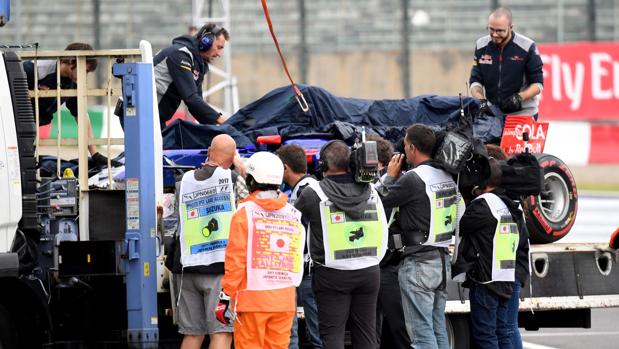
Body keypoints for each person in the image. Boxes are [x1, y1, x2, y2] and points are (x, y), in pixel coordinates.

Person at [294, 140, 388, 349]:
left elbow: (291, 221)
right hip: (369, 271)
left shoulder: (313, 193)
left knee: (332, 335)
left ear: (322, 166)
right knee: (366, 334)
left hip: (331, 275)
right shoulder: (372, 190)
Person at [379, 124, 464, 349]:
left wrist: (389, 176)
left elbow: (379, 201)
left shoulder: (414, 179)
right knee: (437, 329)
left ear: (413, 148)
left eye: (405, 146)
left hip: (419, 263)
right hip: (442, 258)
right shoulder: (447, 175)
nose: (404, 151)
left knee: (421, 333)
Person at [165, 134, 247, 349]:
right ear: (232, 157)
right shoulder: (232, 179)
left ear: (209, 152)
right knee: (222, 332)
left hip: (187, 267)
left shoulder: (183, 182)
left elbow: (173, 222)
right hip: (220, 270)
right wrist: (241, 169)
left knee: (193, 334)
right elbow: (248, 210)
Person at [218, 152, 306, 349]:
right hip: (284, 301)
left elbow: (236, 261)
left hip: (252, 302)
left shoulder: (244, 214)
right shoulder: (293, 214)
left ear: (250, 180)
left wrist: (225, 296)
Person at [452, 157, 527, 349]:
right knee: (502, 332)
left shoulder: (483, 205)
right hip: (505, 277)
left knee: (485, 336)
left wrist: (464, 197)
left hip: (486, 281)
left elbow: (458, 226)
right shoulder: (507, 204)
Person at [23, 42, 115, 167]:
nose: (85, 75)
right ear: (72, 61)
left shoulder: (73, 83)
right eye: (85, 70)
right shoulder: (35, 70)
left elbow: (81, 115)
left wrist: (95, 154)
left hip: (31, 128)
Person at [366, 135, 411, 349]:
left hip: (387, 266)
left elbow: (375, 203)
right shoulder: (380, 183)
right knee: (373, 329)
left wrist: (389, 178)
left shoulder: (392, 183)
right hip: (378, 265)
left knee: (397, 327)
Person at [483, 144, 529, 349]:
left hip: (511, 269)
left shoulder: (504, 198)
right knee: (506, 327)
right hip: (513, 268)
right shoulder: (512, 196)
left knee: (507, 327)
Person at [276, 144, 322, 349]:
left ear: (285, 168)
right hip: (306, 269)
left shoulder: (307, 191)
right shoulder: (307, 188)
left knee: (316, 333)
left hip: (308, 270)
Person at [469, 6, 544, 118]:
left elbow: (538, 84)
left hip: (523, 113)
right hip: (492, 112)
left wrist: (519, 98)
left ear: (511, 27)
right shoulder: (481, 45)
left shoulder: (528, 47)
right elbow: (475, 81)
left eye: (499, 30)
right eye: (491, 29)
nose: (494, 34)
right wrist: (481, 100)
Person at [151, 23, 229, 130]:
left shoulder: (198, 64)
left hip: (154, 118)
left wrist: (218, 127)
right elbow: (191, 98)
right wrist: (221, 120)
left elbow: (197, 106)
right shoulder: (179, 55)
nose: (220, 54)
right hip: (140, 114)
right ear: (206, 41)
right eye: (219, 47)